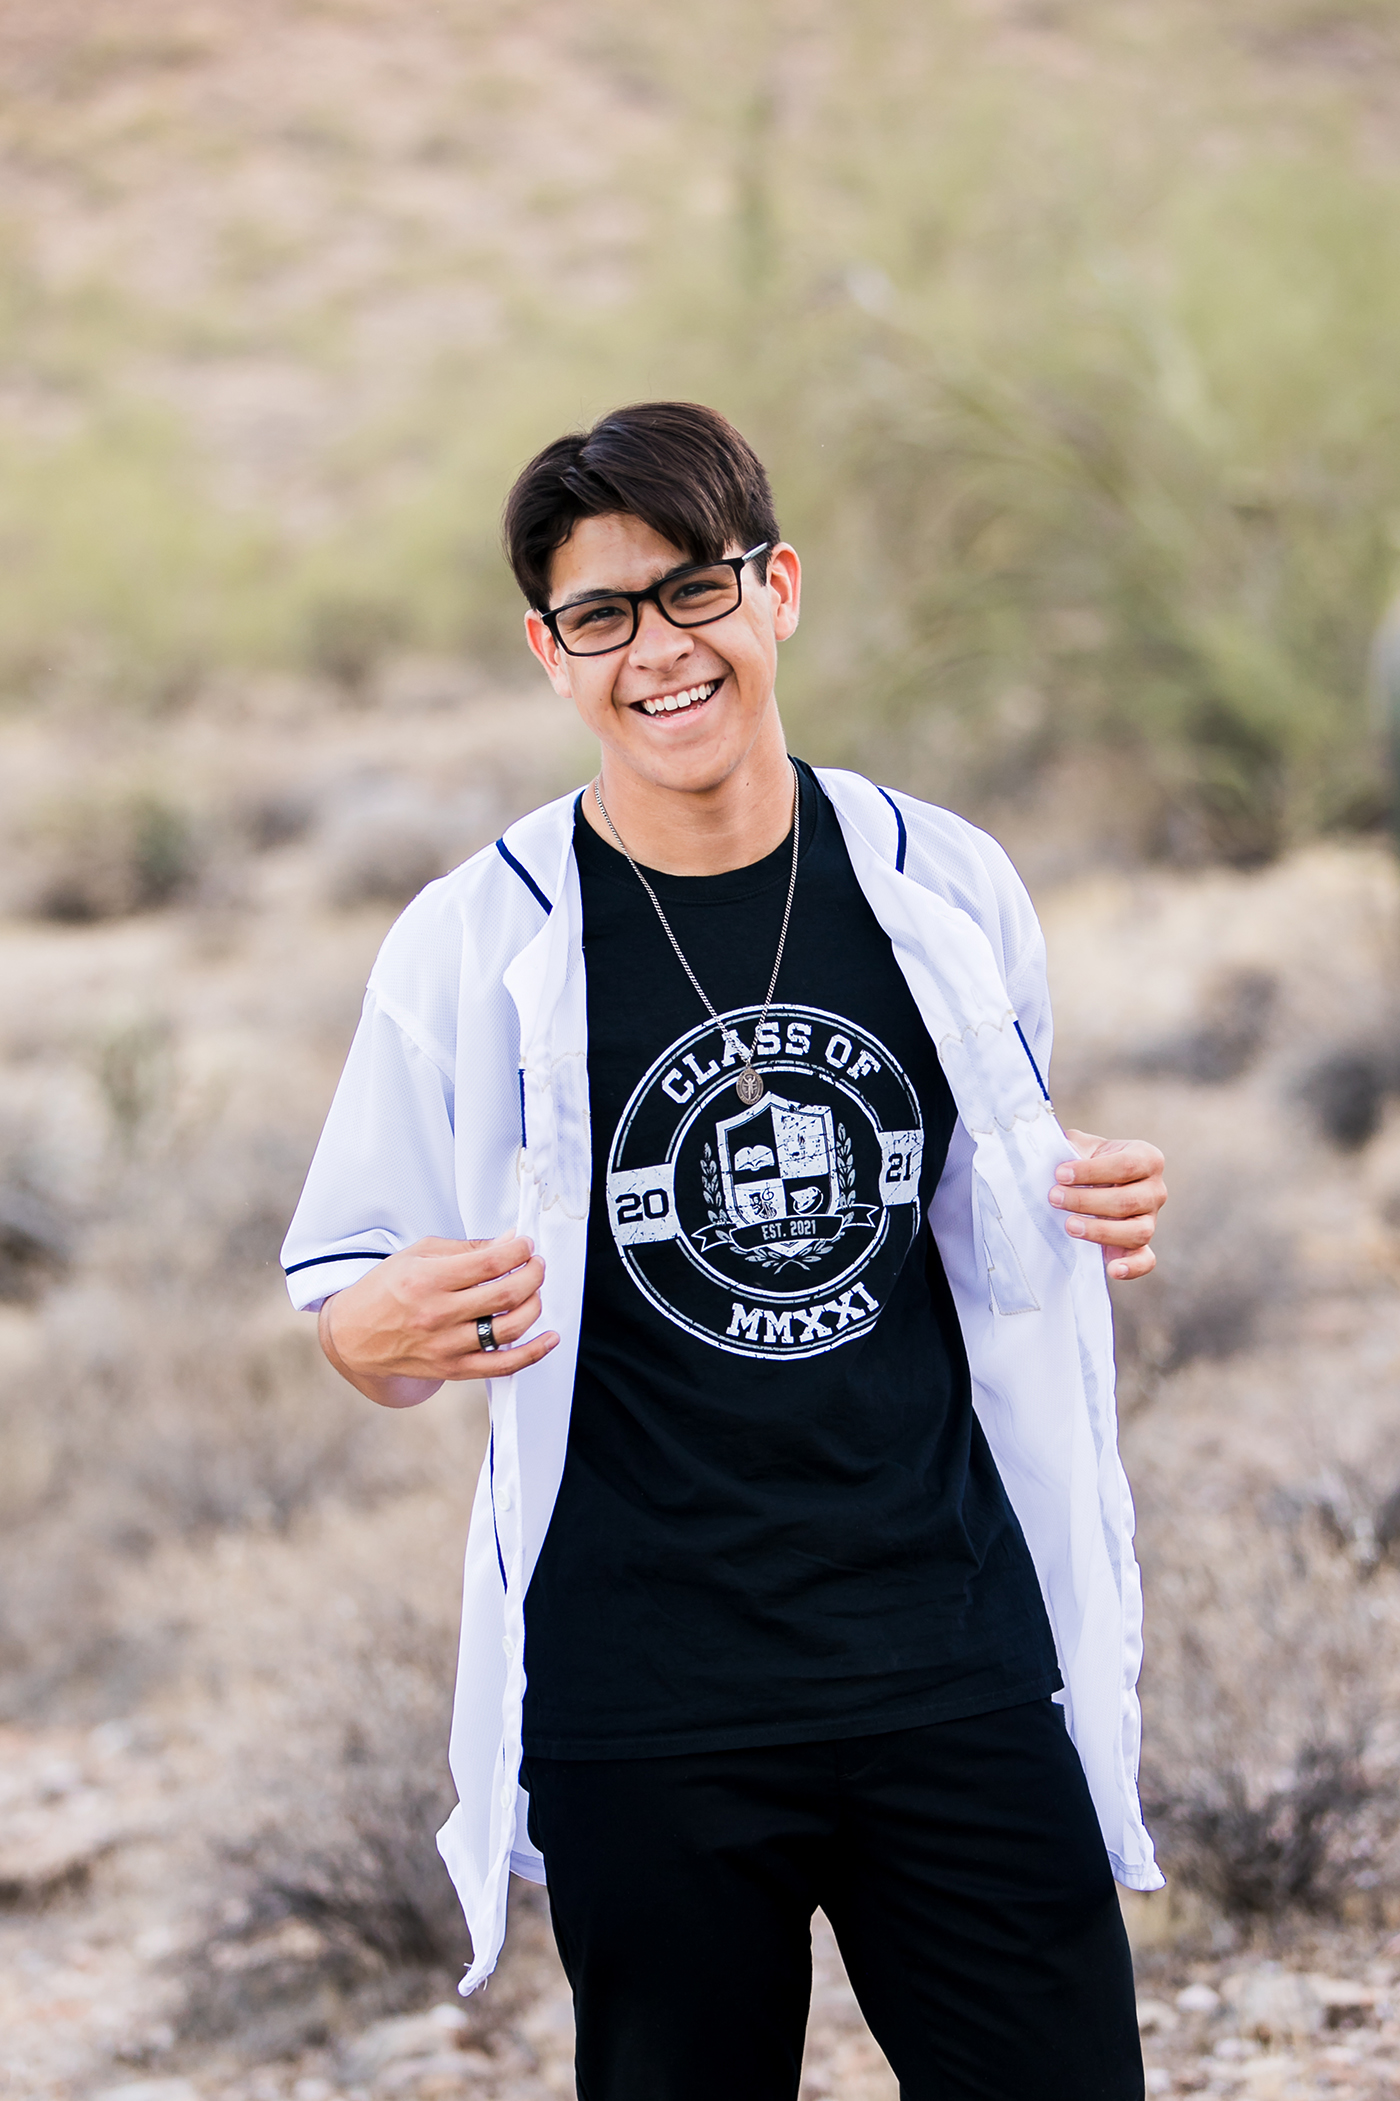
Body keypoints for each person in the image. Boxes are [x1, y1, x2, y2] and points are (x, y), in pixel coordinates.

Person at [282, 401, 1167, 2101]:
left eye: (692, 591)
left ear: (779, 590)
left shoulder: (939, 880)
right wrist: (375, 1330)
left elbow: (1008, 1188)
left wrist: (1085, 1195)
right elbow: (350, 1285)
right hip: (650, 1692)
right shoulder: (480, 940)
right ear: (551, 653)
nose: (657, 651)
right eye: (601, 616)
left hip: (952, 1651)